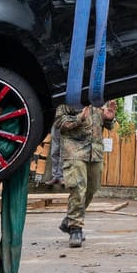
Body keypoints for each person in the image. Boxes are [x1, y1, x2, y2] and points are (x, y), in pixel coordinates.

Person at [53, 98, 117, 247]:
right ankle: (76, 229)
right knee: (78, 188)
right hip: (74, 150)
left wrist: (109, 118)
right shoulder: (69, 97)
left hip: (95, 151)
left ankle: (69, 220)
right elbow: (59, 123)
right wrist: (79, 118)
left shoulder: (99, 96)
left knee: (92, 189)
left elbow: (107, 124)